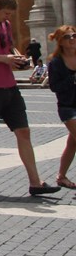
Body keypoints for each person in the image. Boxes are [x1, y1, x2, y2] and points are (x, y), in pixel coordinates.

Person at [0, 0, 60, 196]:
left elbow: (10, 49)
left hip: (10, 87)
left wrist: (19, 58)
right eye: (6, 14)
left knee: (24, 132)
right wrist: (3, 58)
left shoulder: (5, 26)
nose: (8, 18)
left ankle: (35, 182)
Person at [47, 26, 76, 189]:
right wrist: (72, 79)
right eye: (67, 37)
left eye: (74, 35)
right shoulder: (56, 62)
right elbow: (54, 86)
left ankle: (61, 176)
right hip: (67, 107)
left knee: (73, 144)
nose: (72, 39)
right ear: (61, 42)